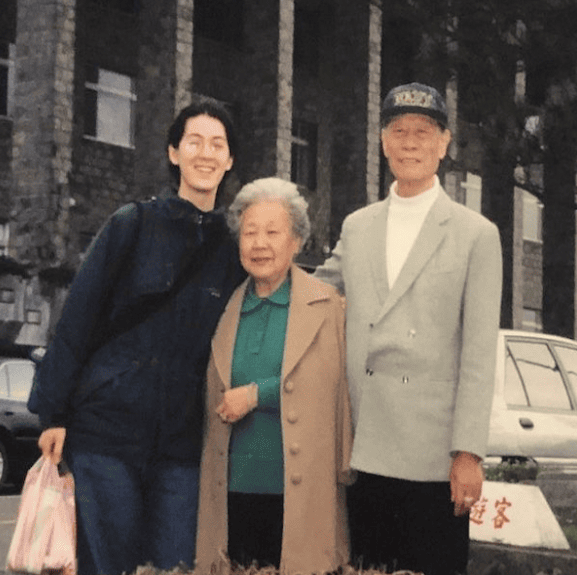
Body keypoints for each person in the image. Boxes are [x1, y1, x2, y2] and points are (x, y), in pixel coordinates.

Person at [27, 101, 246, 575]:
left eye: (218, 145)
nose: (205, 154)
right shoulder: (133, 224)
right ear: (173, 152)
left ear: (229, 160)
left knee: (176, 564)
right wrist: (53, 412)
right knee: (107, 565)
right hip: (106, 430)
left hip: (183, 443)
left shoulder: (233, 248)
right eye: (194, 142)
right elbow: (77, 318)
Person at [314, 82, 503, 575]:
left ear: (444, 144)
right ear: (383, 141)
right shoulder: (358, 225)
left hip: (433, 455)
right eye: (400, 131)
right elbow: (316, 296)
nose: (411, 142)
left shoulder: (476, 235)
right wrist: (259, 267)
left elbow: (480, 355)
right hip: (364, 442)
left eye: (424, 132)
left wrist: (469, 454)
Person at [194, 177, 352, 575]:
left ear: (297, 241)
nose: (259, 243)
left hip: (301, 497)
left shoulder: (328, 306)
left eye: (272, 232)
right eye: (250, 232)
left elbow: (333, 388)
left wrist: (257, 394)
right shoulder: (222, 306)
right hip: (230, 494)